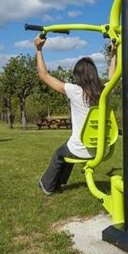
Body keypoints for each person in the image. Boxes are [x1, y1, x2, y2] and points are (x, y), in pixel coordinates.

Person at [35, 35, 117, 195]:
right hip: (98, 149)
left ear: (78, 76)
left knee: (60, 153)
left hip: (80, 148)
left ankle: (47, 186)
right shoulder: (106, 91)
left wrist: (38, 49)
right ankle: (58, 184)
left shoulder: (75, 91)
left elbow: (43, 75)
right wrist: (114, 55)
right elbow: (113, 77)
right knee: (67, 149)